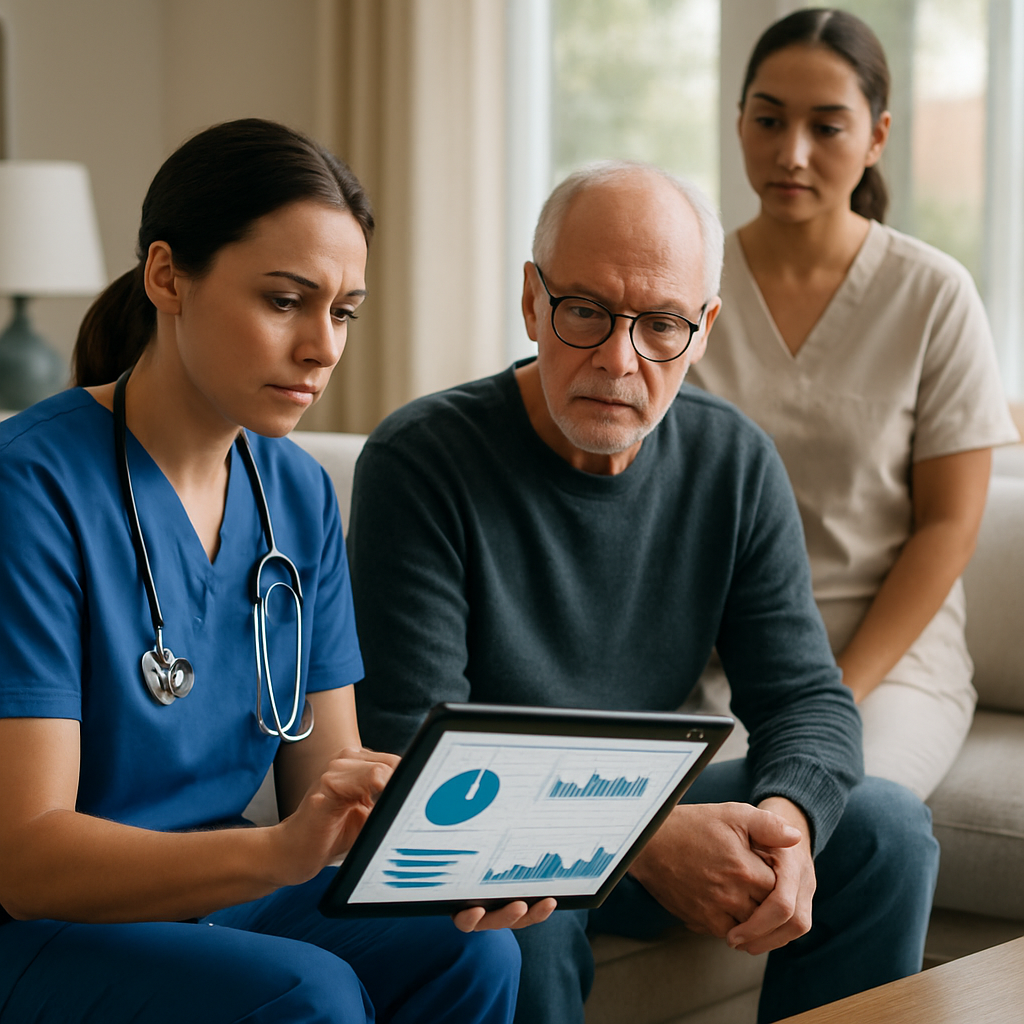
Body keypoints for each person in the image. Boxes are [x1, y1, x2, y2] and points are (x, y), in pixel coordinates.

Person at [347, 160, 939, 1024]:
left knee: (885, 827)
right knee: (522, 926)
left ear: (702, 332)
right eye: (585, 311)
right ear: (532, 302)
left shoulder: (732, 462)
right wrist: (645, 838)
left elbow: (807, 697)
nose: (619, 360)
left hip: (642, 802)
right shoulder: (422, 462)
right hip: (492, 833)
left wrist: (790, 819)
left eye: (661, 324)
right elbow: (417, 756)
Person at [0, 118, 553, 1024]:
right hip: (50, 925)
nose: (323, 347)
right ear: (167, 275)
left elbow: (327, 784)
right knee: (311, 993)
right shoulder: (31, 489)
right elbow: (27, 863)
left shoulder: (295, 492)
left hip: (220, 901)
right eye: (285, 300)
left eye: (342, 311)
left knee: (473, 950)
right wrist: (274, 857)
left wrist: (462, 852)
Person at [687, 8, 1020, 801]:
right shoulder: (688, 282)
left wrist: (835, 689)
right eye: (767, 119)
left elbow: (950, 524)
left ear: (876, 137)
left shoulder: (933, 295)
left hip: (888, 665)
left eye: (826, 127)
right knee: (674, 822)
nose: (790, 152)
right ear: (738, 123)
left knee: (837, 812)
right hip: (721, 659)